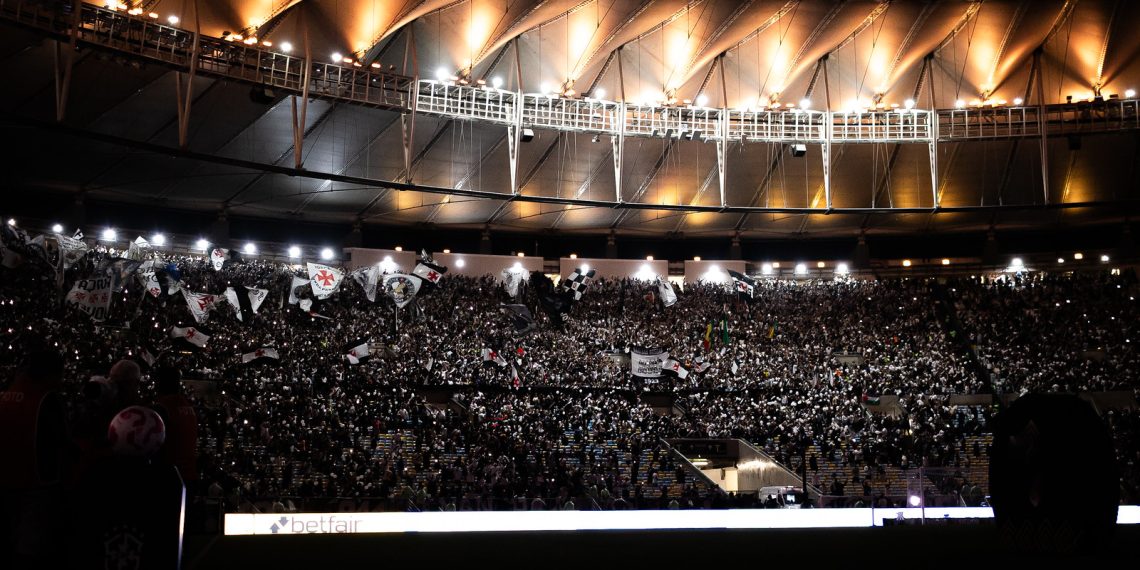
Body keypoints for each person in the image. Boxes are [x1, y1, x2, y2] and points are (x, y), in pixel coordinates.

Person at [0, 348, 70, 570]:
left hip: (5, 482)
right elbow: (62, 442)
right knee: (28, 551)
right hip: (36, 486)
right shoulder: (47, 399)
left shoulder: (4, 395)